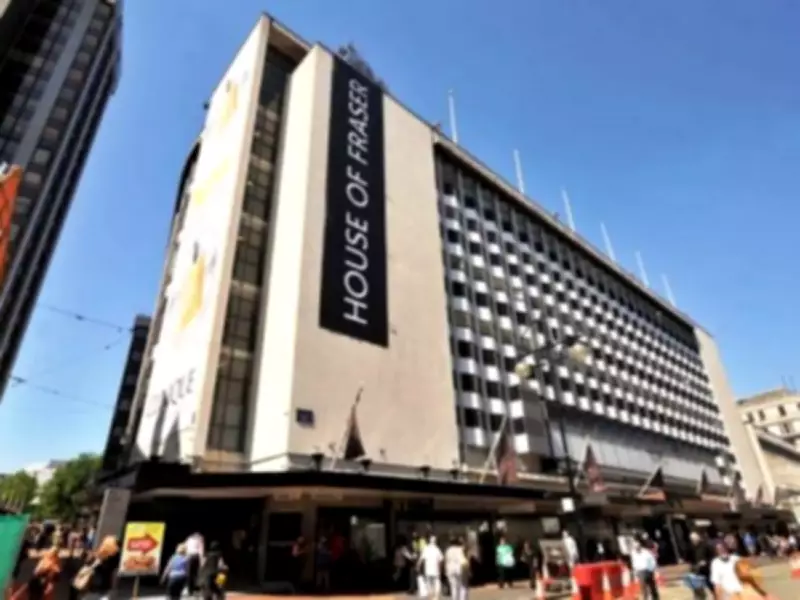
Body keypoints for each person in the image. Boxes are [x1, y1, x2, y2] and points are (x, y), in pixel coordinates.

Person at [686, 531, 715, 600]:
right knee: (698, 589)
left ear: (698, 537)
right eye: (692, 539)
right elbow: (688, 558)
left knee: (711, 586)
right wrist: (692, 565)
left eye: (695, 538)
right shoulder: (690, 548)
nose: (694, 541)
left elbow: (713, 557)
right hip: (697, 570)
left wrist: (706, 562)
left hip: (707, 570)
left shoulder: (706, 546)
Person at [418, 535, 443, 600]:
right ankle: (436, 597)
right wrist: (440, 569)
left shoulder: (426, 549)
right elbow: (440, 560)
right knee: (437, 582)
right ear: (435, 541)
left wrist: (418, 566)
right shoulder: (437, 549)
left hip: (428, 570)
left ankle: (430, 596)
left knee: (429, 583)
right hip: (436, 570)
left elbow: (421, 559)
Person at [444, 535, 469, 600]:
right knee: (461, 586)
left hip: (450, 570)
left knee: (453, 587)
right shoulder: (459, 549)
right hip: (458, 569)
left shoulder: (448, 550)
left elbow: (446, 560)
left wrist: (445, 570)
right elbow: (463, 560)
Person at [186, 532, 205, 597]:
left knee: (189, 574)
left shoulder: (189, 539)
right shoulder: (200, 539)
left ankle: (190, 591)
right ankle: (196, 590)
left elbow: (186, 548)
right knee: (196, 574)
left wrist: (186, 557)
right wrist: (201, 561)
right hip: (196, 556)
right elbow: (201, 550)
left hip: (189, 556)